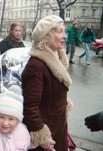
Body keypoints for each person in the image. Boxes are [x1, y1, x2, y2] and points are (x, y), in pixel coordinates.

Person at [21, 15, 73, 151]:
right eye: (59, 31)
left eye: (64, 31)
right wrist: (42, 137)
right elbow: (30, 108)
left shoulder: (55, 58)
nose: (65, 36)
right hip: (48, 137)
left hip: (57, 127)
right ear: (46, 37)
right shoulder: (36, 66)